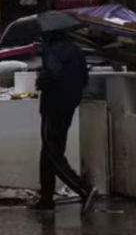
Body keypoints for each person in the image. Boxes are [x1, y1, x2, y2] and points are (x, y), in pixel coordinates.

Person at [31, 18, 97, 214]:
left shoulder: (52, 50)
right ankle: (46, 198)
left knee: (52, 153)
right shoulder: (75, 50)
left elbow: (53, 74)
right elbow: (84, 79)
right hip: (68, 106)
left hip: (53, 106)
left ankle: (82, 187)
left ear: (49, 34)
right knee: (50, 150)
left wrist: (41, 80)